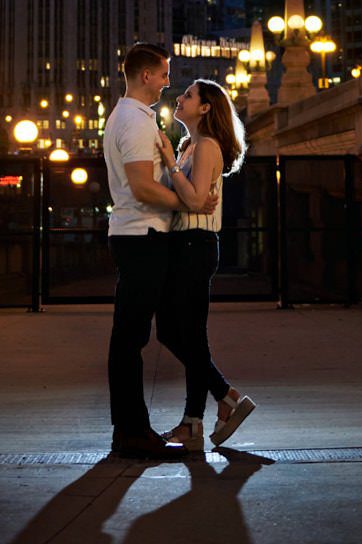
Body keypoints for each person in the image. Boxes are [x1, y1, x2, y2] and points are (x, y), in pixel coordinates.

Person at [103, 42, 218, 461]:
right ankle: (132, 433)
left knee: (134, 334)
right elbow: (142, 186)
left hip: (139, 234)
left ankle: (133, 430)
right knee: (130, 337)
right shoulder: (133, 121)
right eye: (165, 74)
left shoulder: (134, 117)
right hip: (141, 236)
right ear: (146, 76)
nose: (169, 82)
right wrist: (187, 203)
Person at [154, 79, 256, 452]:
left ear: (206, 108)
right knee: (173, 331)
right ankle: (219, 401)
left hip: (196, 245)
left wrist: (169, 164)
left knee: (188, 334)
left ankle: (200, 417)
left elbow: (196, 199)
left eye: (189, 96)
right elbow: (184, 198)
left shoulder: (208, 146)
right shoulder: (190, 145)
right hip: (183, 244)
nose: (179, 99)